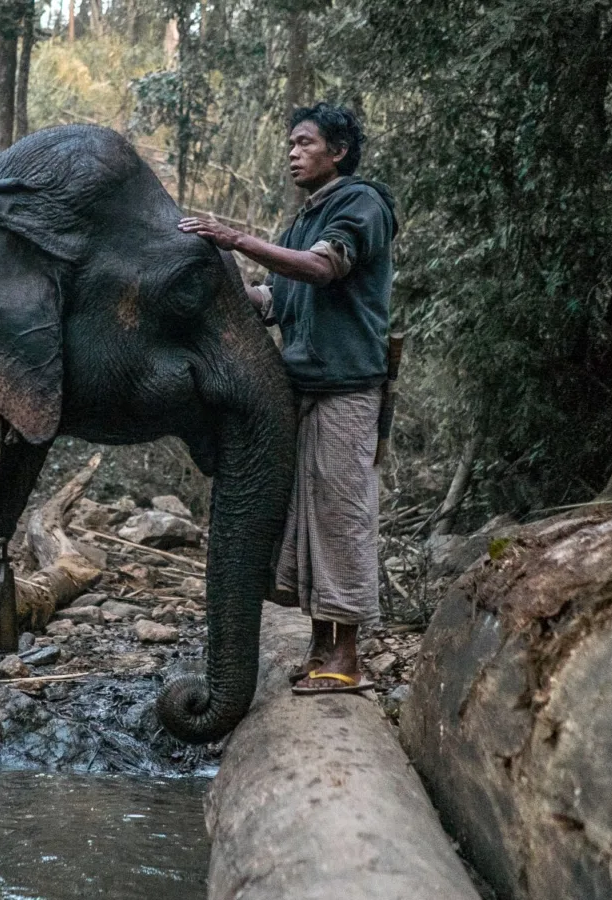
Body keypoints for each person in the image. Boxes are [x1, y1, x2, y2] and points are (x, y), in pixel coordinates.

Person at [178, 102, 398, 695]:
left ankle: (347, 659)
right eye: (291, 144)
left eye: (304, 143)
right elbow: (276, 300)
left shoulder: (360, 205)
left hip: (346, 389)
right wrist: (215, 274)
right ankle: (322, 648)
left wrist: (238, 239)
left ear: (339, 151)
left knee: (341, 516)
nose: (292, 153)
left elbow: (323, 270)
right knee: (306, 521)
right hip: (303, 390)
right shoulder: (304, 219)